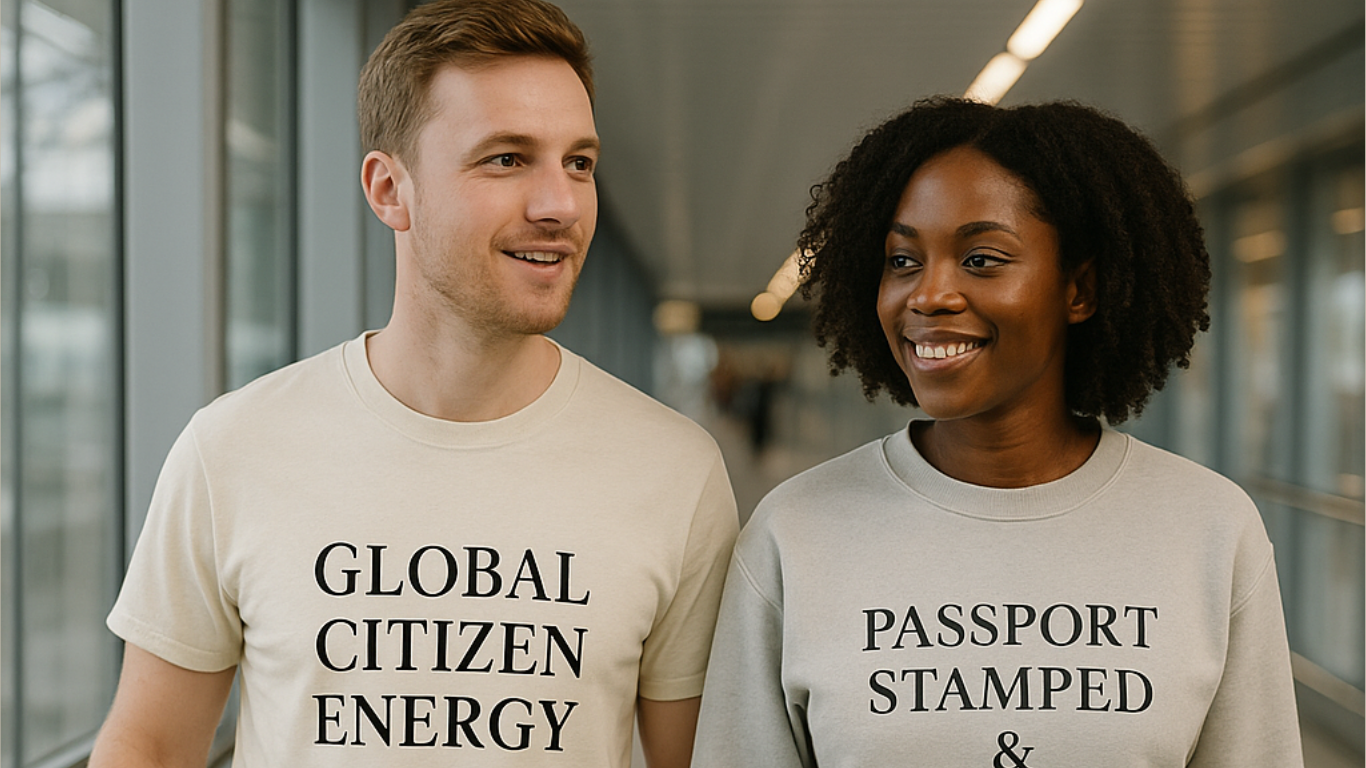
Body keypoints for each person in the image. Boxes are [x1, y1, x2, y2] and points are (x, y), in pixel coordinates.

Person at [90, 2, 737, 765]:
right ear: (389, 189)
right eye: (506, 158)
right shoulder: (232, 449)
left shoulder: (675, 474)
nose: (559, 204)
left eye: (579, 163)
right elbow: (150, 745)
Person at [692, 97, 1302, 766]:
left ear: (1080, 290)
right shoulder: (795, 531)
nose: (929, 294)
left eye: (981, 259)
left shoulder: (1208, 528)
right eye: (902, 261)